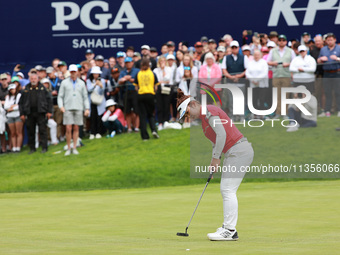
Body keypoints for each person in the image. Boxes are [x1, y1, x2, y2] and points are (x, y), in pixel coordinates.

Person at [176, 89, 254, 241]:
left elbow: (222, 134)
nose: (188, 117)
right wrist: (214, 162)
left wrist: (216, 158)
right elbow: (215, 142)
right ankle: (228, 228)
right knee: (227, 189)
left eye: (187, 112)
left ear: (193, 104)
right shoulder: (204, 122)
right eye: (185, 116)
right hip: (234, 153)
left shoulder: (209, 111)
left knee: (227, 189)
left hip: (239, 151)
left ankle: (230, 230)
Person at [58, 64, 90, 156]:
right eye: (71, 72)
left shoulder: (81, 83)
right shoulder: (64, 83)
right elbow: (60, 96)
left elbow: (85, 97)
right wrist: (61, 106)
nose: (73, 73)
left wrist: (87, 108)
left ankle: (75, 147)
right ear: (69, 72)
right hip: (68, 108)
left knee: (76, 128)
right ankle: (68, 147)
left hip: (79, 107)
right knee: (68, 128)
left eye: (74, 72)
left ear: (77, 72)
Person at [19, 72, 52, 154]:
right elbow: (21, 103)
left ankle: (44, 147)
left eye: (35, 79)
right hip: (29, 113)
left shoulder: (42, 88)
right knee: (31, 131)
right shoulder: (26, 89)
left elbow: (49, 100)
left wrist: (49, 111)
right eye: (32, 79)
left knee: (42, 130)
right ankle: (32, 148)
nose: (33, 80)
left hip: (40, 112)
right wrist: (22, 113)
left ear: (38, 79)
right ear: (29, 79)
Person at [267, 34, 296, 118]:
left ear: (286, 42)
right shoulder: (273, 51)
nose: (281, 42)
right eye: (280, 40)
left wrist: (288, 64)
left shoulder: (290, 51)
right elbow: (268, 61)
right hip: (276, 75)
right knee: (277, 95)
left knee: (285, 94)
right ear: (278, 41)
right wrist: (273, 63)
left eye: (283, 40)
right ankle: (278, 112)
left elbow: (295, 62)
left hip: (286, 75)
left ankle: (284, 113)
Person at [133, 58, 159, 140]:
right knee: (151, 114)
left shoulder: (138, 73)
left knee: (142, 116)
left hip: (141, 95)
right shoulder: (152, 73)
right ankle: (153, 130)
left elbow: (136, 87)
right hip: (150, 95)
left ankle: (144, 136)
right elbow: (156, 86)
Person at [317, 33, 340, 117]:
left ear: (335, 40)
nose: (329, 41)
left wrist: (337, 58)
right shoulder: (323, 49)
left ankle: (339, 110)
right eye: (328, 40)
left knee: (338, 92)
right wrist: (320, 59)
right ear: (326, 41)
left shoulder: (339, 48)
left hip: (337, 72)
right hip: (326, 73)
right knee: (327, 92)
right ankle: (327, 111)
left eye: (331, 39)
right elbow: (318, 60)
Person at [118, 57, 140, 133]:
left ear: (132, 63)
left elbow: (138, 80)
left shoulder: (137, 71)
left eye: (129, 62)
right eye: (126, 63)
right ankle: (129, 128)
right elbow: (120, 81)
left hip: (135, 92)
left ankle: (136, 127)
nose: (128, 64)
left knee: (137, 110)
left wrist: (129, 79)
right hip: (126, 92)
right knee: (127, 111)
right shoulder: (123, 72)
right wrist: (125, 78)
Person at [245, 50, 269, 115]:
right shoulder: (250, 63)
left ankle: (262, 114)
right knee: (254, 99)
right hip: (253, 84)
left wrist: (257, 80)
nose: (256, 56)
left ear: (261, 55)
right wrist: (253, 80)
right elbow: (247, 73)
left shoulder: (264, 62)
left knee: (262, 99)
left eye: (258, 55)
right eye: (255, 55)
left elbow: (264, 73)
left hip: (262, 84)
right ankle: (255, 114)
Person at [86, 66, 106, 139]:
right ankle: (92, 132)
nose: (96, 75)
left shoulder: (102, 81)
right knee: (93, 117)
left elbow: (102, 92)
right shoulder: (89, 81)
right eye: (94, 74)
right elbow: (89, 90)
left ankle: (98, 132)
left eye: (97, 74)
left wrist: (101, 86)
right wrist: (95, 85)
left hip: (99, 101)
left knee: (99, 116)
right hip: (91, 101)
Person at [153, 56, 172, 130]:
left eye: (164, 61)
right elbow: (156, 80)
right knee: (159, 106)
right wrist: (162, 81)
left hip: (166, 88)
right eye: (161, 61)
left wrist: (163, 70)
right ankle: (160, 122)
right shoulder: (156, 70)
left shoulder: (168, 69)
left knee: (166, 105)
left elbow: (167, 79)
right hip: (158, 89)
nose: (162, 62)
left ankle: (166, 121)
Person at [4, 84, 22, 152]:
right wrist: (13, 106)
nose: (12, 91)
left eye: (13, 89)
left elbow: (19, 106)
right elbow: (6, 107)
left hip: (17, 115)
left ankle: (18, 147)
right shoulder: (8, 97)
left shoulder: (19, 95)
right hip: (10, 116)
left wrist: (11, 107)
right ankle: (14, 147)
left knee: (18, 132)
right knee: (12, 133)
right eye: (11, 89)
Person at [40, 78, 59, 145]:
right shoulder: (38, 93)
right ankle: (37, 144)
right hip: (39, 115)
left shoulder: (49, 94)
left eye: (47, 84)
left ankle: (54, 141)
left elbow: (50, 106)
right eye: (44, 84)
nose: (45, 85)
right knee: (37, 128)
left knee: (53, 124)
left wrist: (50, 115)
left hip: (47, 115)